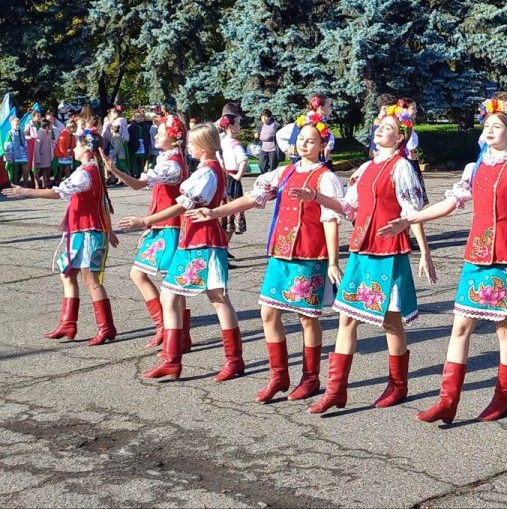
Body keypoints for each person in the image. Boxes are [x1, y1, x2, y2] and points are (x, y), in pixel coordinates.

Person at [378, 97, 507, 424]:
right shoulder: (474, 167)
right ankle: (447, 400)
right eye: (487, 126)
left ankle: (503, 397)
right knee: (461, 324)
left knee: (504, 328)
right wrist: (411, 220)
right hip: (477, 255)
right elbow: (450, 203)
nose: (490, 131)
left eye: (497, 126)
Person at [188, 113, 345, 403]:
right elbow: (253, 197)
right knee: (268, 312)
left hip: (309, 253)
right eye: (301, 140)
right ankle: (278, 375)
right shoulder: (284, 173)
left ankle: (310, 378)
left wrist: (334, 261)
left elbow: (332, 219)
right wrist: (215, 212)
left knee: (306, 317)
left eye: (312, 141)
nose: (304, 145)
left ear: (322, 144)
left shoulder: (327, 178)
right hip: (280, 252)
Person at [308, 104, 437, 414]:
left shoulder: (401, 166)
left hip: (389, 250)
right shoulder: (366, 168)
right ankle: (336, 389)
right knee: (347, 317)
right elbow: (346, 207)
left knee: (391, 320)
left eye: (388, 128)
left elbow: (412, 212)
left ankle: (398, 385)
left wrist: (424, 252)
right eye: (379, 125)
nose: (380, 129)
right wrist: (315, 196)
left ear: (401, 137)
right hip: (361, 249)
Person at [119, 123, 245, 382]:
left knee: (218, 298)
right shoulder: (205, 170)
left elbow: (181, 206)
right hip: (192, 240)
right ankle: (172, 359)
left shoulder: (208, 173)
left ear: (203, 146)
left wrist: (144, 221)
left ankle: (233, 360)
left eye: (192, 143)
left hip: (205, 241)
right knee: (170, 296)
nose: (188, 147)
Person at [1, 129, 120, 345]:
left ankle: (106, 327)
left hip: (89, 233)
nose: (72, 148)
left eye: (76, 145)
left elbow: (58, 192)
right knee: (67, 274)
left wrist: (25, 191)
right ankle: (68, 323)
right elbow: (102, 203)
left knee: (91, 280)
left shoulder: (85, 173)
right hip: (80, 232)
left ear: (85, 148)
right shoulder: (89, 171)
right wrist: (109, 230)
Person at [103, 114, 191, 351]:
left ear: (174, 139)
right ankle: (168, 328)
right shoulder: (166, 160)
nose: (157, 136)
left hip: (171, 225)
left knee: (170, 284)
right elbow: (139, 185)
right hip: (160, 225)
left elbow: (141, 184)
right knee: (143, 275)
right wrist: (115, 171)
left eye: (161, 133)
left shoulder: (171, 164)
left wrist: (116, 171)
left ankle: (175, 331)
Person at [217, 114, 248, 245]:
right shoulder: (235, 144)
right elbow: (243, 160)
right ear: (230, 126)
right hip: (232, 179)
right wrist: (238, 175)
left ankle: (221, 246)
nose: (239, 126)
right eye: (237, 124)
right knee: (232, 213)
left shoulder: (220, 140)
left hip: (222, 177)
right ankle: (224, 246)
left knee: (222, 211)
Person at [4, 115, 29, 186]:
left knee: (25, 169)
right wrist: (9, 156)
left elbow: (25, 142)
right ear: (12, 124)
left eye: (18, 123)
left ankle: (25, 184)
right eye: (16, 123)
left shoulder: (21, 132)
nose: (18, 125)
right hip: (14, 154)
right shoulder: (9, 133)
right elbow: (7, 145)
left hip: (23, 153)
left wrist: (26, 151)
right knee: (16, 170)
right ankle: (15, 185)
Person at [256, 108, 281, 174]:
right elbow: (258, 134)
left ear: (270, 117)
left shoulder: (276, 125)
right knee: (261, 165)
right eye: (262, 116)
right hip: (263, 149)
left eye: (266, 117)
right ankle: (265, 176)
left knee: (273, 167)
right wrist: (256, 136)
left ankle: (272, 180)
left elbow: (279, 137)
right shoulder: (260, 125)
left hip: (273, 149)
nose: (264, 118)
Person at [127, 108, 150, 178]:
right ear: (133, 117)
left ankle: (141, 173)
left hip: (142, 144)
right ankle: (134, 173)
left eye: (139, 117)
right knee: (134, 160)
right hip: (135, 144)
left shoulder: (144, 126)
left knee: (141, 159)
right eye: (137, 117)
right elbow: (130, 137)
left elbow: (147, 136)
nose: (138, 118)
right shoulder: (131, 127)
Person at [32, 120, 54, 189]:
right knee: (37, 170)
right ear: (47, 127)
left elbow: (50, 144)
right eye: (50, 125)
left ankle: (45, 184)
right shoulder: (40, 134)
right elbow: (36, 147)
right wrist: (37, 158)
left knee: (46, 170)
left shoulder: (49, 133)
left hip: (47, 155)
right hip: (40, 155)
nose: (51, 127)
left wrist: (51, 154)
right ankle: (37, 185)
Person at [54, 120, 77, 185]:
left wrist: (71, 154)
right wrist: (66, 154)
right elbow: (61, 146)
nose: (76, 129)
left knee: (67, 168)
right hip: (62, 154)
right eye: (75, 128)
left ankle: (66, 182)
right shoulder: (64, 134)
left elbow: (73, 146)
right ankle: (59, 181)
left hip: (68, 154)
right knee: (62, 169)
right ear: (70, 128)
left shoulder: (72, 136)